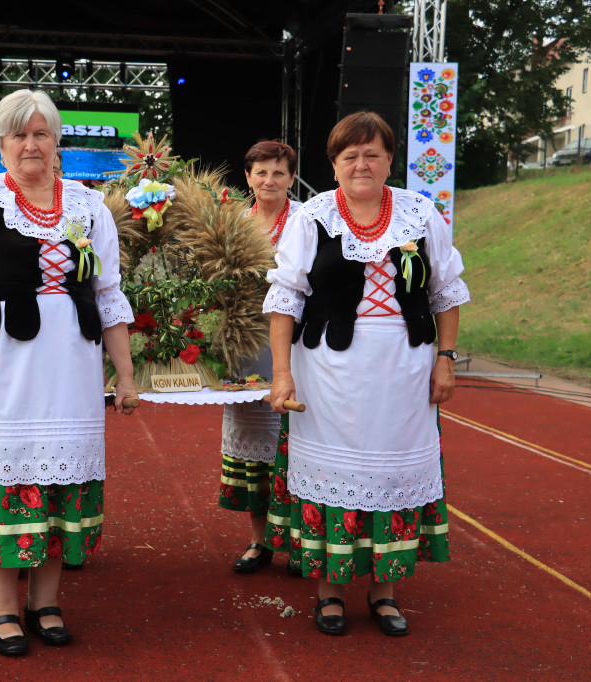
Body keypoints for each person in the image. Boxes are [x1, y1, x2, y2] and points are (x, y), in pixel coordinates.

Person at [0, 88, 138, 656]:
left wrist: (126, 375)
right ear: (1, 144)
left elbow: (108, 295)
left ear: (57, 140)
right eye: (18, 135)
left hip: (69, 366)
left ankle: (47, 601)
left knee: (59, 479)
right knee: (5, 474)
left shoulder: (87, 206)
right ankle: (2, 608)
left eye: (40, 133)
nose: (30, 144)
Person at [264, 111, 468, 637]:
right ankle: (330, 592)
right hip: (329, 373)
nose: (361, 164)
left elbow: (445, 291)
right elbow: (285, 299)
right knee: (335, 476)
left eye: (372, 153)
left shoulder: (421, 214)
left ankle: (385, 591)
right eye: (349, 155)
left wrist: (446, 358)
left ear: (390, 160)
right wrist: (281, 375)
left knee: (392, 476)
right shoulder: (311, 217)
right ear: (333, 165)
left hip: (405, 370)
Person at [219, 140, 302, 575]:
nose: (269, 180)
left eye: (279, 172)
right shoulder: (232, 222)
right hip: (245, 347)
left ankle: (296, 541)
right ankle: (258, 541)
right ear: (247, 177)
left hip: (293, 347)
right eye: (261, 172)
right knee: (253, 454)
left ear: (291, 178)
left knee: (293, 448)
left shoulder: (307, 220)